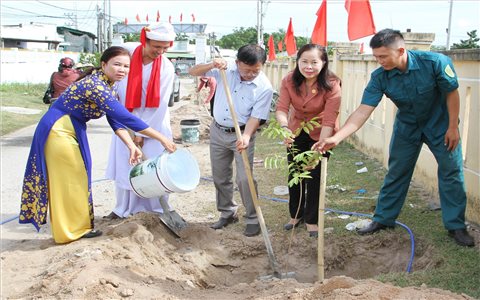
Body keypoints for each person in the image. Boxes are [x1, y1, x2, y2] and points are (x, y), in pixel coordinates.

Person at [314, 29, 474, 247]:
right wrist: (337, 137)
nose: (379, 61)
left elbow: (451, 92)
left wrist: (452, 126)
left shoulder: (435, 62)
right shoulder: (380, 76)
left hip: (441, 126)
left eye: (383, 56)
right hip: (407, 127)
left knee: (451, 171)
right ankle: (383, 219)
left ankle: (456, 226)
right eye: (376, 57)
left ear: (400, 50)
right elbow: (363, 110)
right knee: (397, 171)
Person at [19, 46, 176, 244]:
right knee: (69, 179)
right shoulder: (97, 86)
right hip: (58, 129)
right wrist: (161, 138)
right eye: (117, 64)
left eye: (126, 66)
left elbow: (114, 119)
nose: (122, 70)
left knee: (79, 177)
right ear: (104, 64)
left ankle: (77, 228)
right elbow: (124, 117)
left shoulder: (107, 84)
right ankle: (68, 232)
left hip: (71, 128)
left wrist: (130, 145)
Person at [188, 44, 273, 237]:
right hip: (218, 131)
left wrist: (246, 136)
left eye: (256, 70)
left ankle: (252, 218)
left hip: (242, 133)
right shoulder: (225, 71)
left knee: (245, 178)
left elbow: (256, 117)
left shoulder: (264, 87)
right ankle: (227, 212)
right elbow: (193, 71)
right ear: (237, 63)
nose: (251, 74)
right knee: (220, 175)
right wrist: (213, 64)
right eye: (247, 69)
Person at [105, 22, 177, 220]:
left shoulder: (166, 68)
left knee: (153, 168)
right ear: (145, 40)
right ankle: (122, 209)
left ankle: (156, 210)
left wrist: (141, 133)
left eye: (165, 48)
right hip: (123, 119)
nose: (160, 52)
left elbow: (161, 104)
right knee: (125, 165)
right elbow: (111, 73)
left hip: (154, 124)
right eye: (156, 47)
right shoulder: (126, 53)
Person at [276, 44, 341, 238]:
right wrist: (285, 129)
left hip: (322, 132)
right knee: (295, 172)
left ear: (323, 63)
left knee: (314, 176)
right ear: (297, 62)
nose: (309, 67)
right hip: (296, 130)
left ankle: (312, 220)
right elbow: (281, 108)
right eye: (304, 61)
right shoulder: (289, 80)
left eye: (314, 62)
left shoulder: (332, 83)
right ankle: (295, 215)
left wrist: (318, 150)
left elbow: (329, 119)